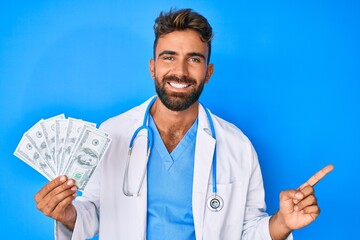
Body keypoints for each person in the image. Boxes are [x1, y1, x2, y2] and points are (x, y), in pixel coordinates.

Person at [34, 8, 334, 240]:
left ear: (209, 71)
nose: (179, 71)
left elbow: (247, 232)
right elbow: (94, 212)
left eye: (194, 59)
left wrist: (282, 223)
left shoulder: (237, 146)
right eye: (168, 57)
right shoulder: (112, 133)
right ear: (153, 67)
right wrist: (67, 213)